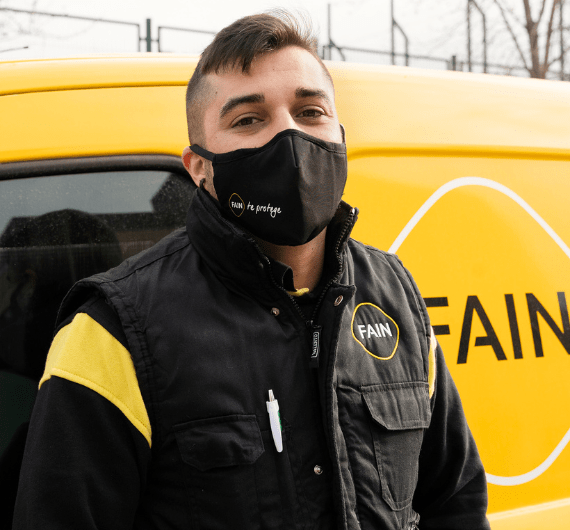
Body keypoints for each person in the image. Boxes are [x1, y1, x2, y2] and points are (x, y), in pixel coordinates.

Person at [13, 11, 491, 530]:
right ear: (199, 167)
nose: (289, 135)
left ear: (341, 135)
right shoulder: (113, 332)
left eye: (310, 111)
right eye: (248, 120)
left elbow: (455, 501)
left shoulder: (394, 293)